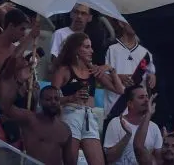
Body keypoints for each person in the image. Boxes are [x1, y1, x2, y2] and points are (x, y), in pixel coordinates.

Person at [51, 32, 124, 165]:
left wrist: (112, 70)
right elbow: (51, 99)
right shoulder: (64, 70)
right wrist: (71, 97)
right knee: (70, 161)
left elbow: (119, 90)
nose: (92, 50)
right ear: (76, 49)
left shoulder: (92, 70)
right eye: (87, 47)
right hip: (70, 115)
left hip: (89, 117)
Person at [0, 82, 74, 165]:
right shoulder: (30, 119)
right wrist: (18, 83)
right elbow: (5, 107)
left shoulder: (65, 129)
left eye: (56, 99)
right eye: (48, 99)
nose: (53, 102)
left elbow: (69, 162)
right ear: (40, 102)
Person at [103, 19, 156, 115]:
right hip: (115, 108)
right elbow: (101, 78)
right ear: (121, 23)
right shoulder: (110, 48)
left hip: (138, 112)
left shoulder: (146, 53)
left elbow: (150, 76)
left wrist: (152, 77)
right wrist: (119, 77)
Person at [104, 87, 161, 165]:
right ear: (130, 104)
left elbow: (159, 160)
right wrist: (127, 136)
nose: (147, 100)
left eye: (147, 96)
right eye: (141, 97)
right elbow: (109, 158)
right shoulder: (116, 123)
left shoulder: (154, 127)